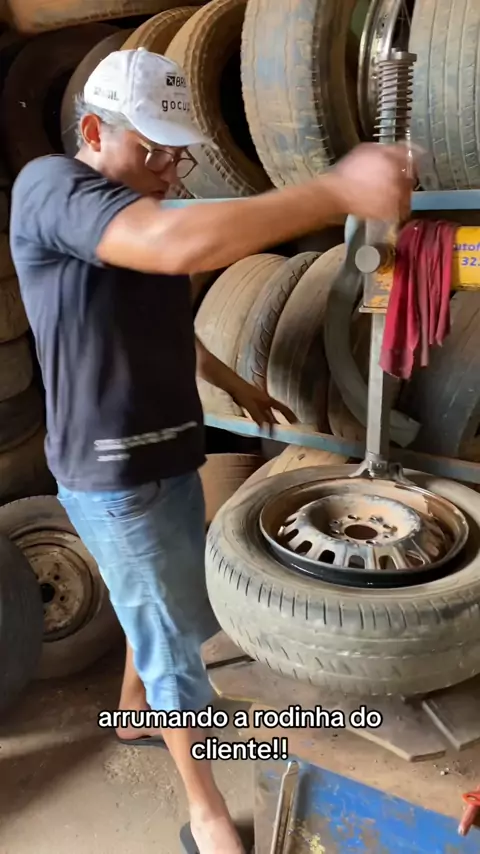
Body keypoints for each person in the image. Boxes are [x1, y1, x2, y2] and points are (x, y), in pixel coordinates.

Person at [10, 47, 413, 854]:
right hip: (112, 473)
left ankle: (135, 712)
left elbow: (165, 318)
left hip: (168, 454)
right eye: (152, 150)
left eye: (177, 153)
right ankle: (205, 814)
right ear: (93, 132)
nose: (169, 169)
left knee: (156, 606)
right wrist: (336, 191)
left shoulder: (141, 213)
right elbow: (174, 248)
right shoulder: (52, 189)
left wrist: (234, 383)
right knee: (176, 643)